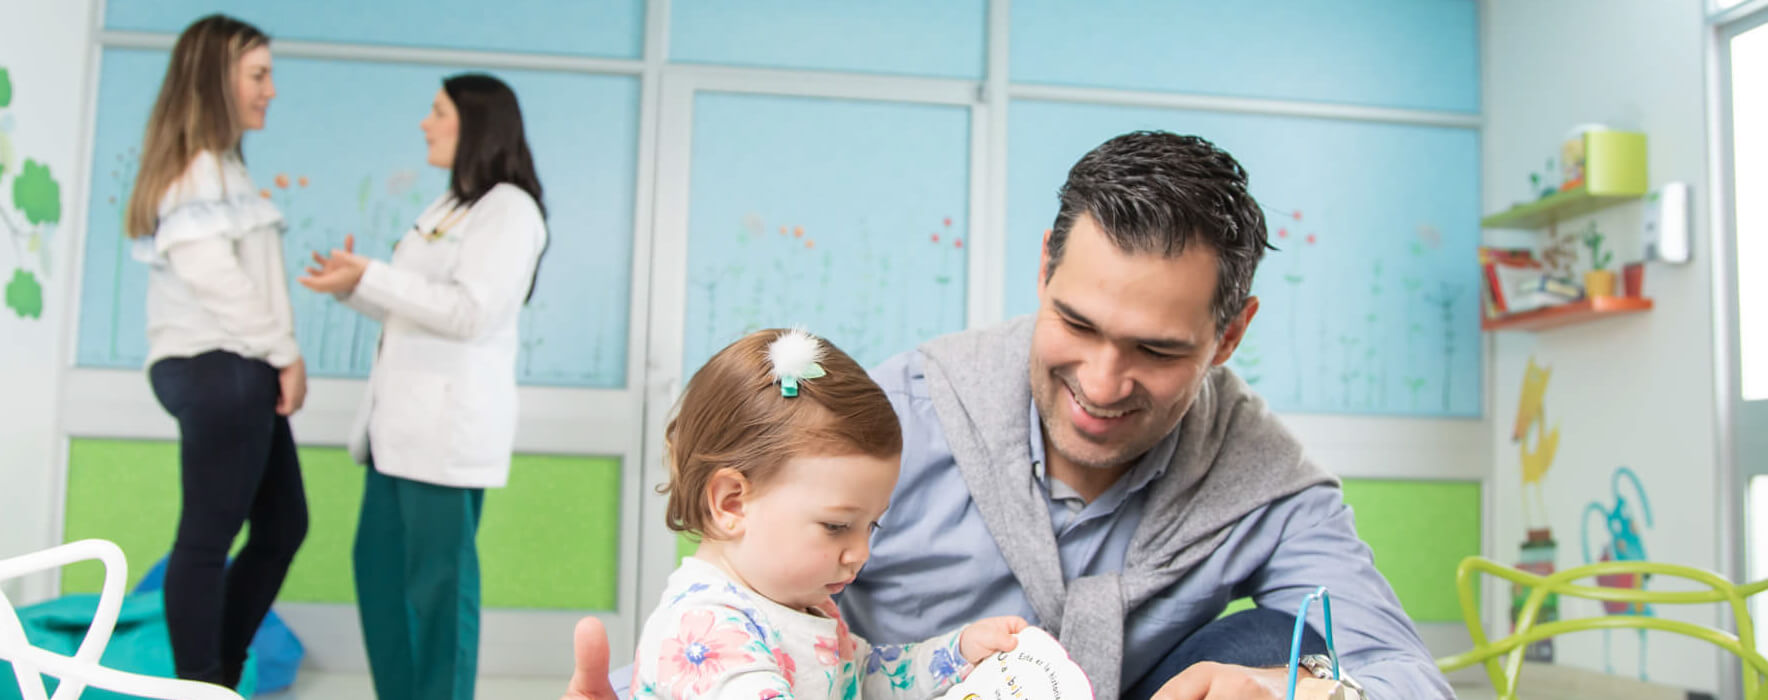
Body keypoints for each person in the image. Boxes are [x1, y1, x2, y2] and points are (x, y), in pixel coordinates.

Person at [568, 131, 1453, 700]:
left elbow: (1408, 675)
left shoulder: (1266, 481)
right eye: (1076, 324)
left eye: (1156, 350)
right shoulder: (893, 421)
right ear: (1044, 269)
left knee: (1286, 649)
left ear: (1230, 335)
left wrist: (1297, 690)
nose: (1103, 384)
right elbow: (739, 601)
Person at [298, 73, 549, 700]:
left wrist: (373, 275)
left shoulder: (509, 210)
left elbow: (471, 312)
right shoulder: (449, 207)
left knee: (440, 590)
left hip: (444, 433)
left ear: (475, 125)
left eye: (437, 112)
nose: (424, 124)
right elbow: (416, 307)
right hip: (396, 432)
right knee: (380, 574)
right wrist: (355, 284)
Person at [629, 328, 1029, 699]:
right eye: (836, 526)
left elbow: (867, 678)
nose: (861, 552)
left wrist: (957, 655)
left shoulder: (797, 602)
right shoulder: (706, 632)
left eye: (871, 525)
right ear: (732, 502)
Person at [124, 13, 307, 689]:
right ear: (216, 79)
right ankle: (200, 683)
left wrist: (276, 356)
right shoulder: (197, 171)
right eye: (258, 75)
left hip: (235, 365)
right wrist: (285, 353)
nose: (271, 90)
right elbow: (219, 282)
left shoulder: (224, 168)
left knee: (283, 525)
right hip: (221, 364)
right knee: (206, 538)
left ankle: (216, 678)